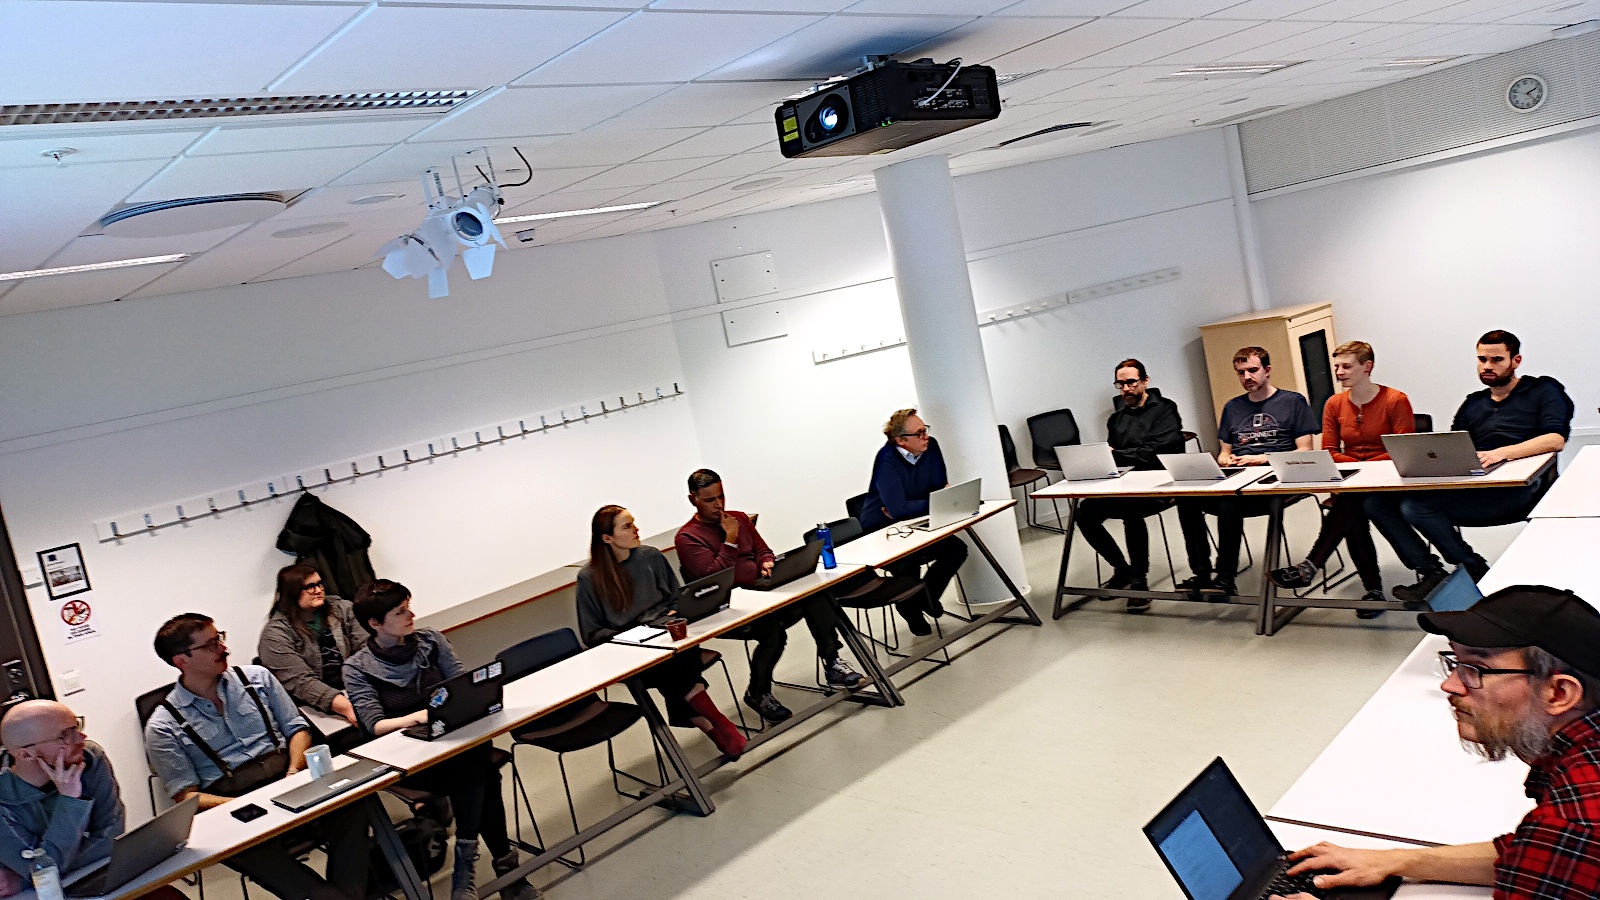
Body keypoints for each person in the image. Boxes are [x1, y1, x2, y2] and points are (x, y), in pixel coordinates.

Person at [1273, 585, 1600, 900]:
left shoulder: (1572, 825)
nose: (1450, 685)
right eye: (1455, 663)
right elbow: (1532, 856)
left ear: (1559, 693)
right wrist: (1393, 861)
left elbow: (1557, 847)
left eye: (1476, 669)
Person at [144, 613, 369, 900]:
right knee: (241, 848)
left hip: (288, 778)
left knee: (354, 805)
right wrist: (243, 804)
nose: (223, 648)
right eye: (210, 645)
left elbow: (297, 729)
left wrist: (294, 771)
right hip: (234, 807)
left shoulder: (256, 678)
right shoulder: (163, 726)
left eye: (219, 638)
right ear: (181, 660)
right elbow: (186, 796)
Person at [342, 580, 538, 900]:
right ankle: (504, 872)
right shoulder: (357, 668)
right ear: (375, 623)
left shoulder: (431, 641)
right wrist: (419, 717)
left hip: (454, 742)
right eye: (400, 612)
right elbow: (375, 725)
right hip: (411, 757)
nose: (411, 615)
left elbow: (462, 684)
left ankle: (471, 868)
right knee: (482, 773)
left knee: (474, 763)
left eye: (409, 607)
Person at [1367, 330, 1573, 604]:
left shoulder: (1543, 390)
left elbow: (1555, 439)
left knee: (1415, 508)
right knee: (1376, 503)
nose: (1487, 366)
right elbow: (1453, 446)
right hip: (1475, 484)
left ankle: (1472, 568)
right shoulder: (1474, 402)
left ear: (1516, 361)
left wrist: (1501, 454)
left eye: (1497, 359)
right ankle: (1431, 571)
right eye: (1482, 359)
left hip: (1522, 490)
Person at [675, 469, 865, 724]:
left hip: (763, 592)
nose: (719, 504)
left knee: (817, 595)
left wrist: (767, 562)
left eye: (721, 496)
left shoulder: (739, 518)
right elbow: (714, 578)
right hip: (730, 609)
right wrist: (730, 540)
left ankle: (832, 663)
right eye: (710, 500)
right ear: (693, 500)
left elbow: (763, 549)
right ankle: (758, 692)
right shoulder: (687, 537)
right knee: (771, 631)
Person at [577, 505, 748, 759]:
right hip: (633, 654)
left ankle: (712, 726)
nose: (636, 529)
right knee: (673, 668)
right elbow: (591, 633)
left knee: (679, 659)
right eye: (627, 526)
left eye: (633, 523)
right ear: (607, 538)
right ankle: (715, 722)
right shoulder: (589, 577)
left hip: (668, 636)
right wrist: (631, 636)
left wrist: (670, 616)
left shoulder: (650, 557)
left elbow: (677, 597)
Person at [1269, 341, 1414, 618]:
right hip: (1351, 482)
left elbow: (1401, 451)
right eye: (1336, 366)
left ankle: (1318, 568)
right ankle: (1370, 590)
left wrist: (1361, 468)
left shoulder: (1396, 400)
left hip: (1388, 481)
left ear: (1367, 367)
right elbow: (1330, 451)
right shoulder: (1334, 404)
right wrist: (1357, 470)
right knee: (1353, 507)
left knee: (1349, 505)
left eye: (1346, 366)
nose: (1339, 372)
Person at [1177, 347, 1319, 597]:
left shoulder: (1292, 401)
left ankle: (1225, 578)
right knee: (1186, 500)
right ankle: (1201, 573)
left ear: (1267, 370)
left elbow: (1305, 451)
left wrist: (1262, 459)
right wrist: (1226, 459)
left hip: (1276, 478)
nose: (1247, 377)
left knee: (1229, 502)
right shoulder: (1232, 407)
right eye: (1241, 372)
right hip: (1240, 474)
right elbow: (1223, 452)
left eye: (1253, 370)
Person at [1075, 359, 1186, 614]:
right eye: (1120, 384)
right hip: (1126, 481)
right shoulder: (1116, 419)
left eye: (1131, 382)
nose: (1125, 389)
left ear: (1145, 381)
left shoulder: (1165, 409)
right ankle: (1122, 569)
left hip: (1162, 482)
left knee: (1130, 508)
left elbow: (1157, 452)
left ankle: (1139, 581)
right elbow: (1114, 457)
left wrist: (1122, 455)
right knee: (1085, 513)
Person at [858, 409, 971, 635]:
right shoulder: (887, 460)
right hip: (882, 530)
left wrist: (914, 505)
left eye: (924, 430)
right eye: (919, 433)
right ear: (901, 440)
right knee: (906, 564)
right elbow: (899, 509)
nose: (925, 436)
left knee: (957, 549)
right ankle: (912, 610)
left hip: (915, 522)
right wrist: (924, 504)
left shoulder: (931, 446)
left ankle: (923, 599)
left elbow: (939, 488)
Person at [0, 701, 122, 893]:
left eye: (77, 726)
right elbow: (44, 870)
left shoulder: (90, 759)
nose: (81, 738)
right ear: (26, 754)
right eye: (65, 736)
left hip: (95, 879)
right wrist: (70, 801)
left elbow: (113, 839)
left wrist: (26, 879)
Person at [257, 564, 363, 730]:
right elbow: (302, 682)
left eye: (319, 584)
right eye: (309, 587)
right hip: (314, 706)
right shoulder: (274, 635)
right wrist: (345, 706)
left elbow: (365, 649)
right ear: (291, 592)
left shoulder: (342, 608)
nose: (318, 590)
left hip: (355, 687)